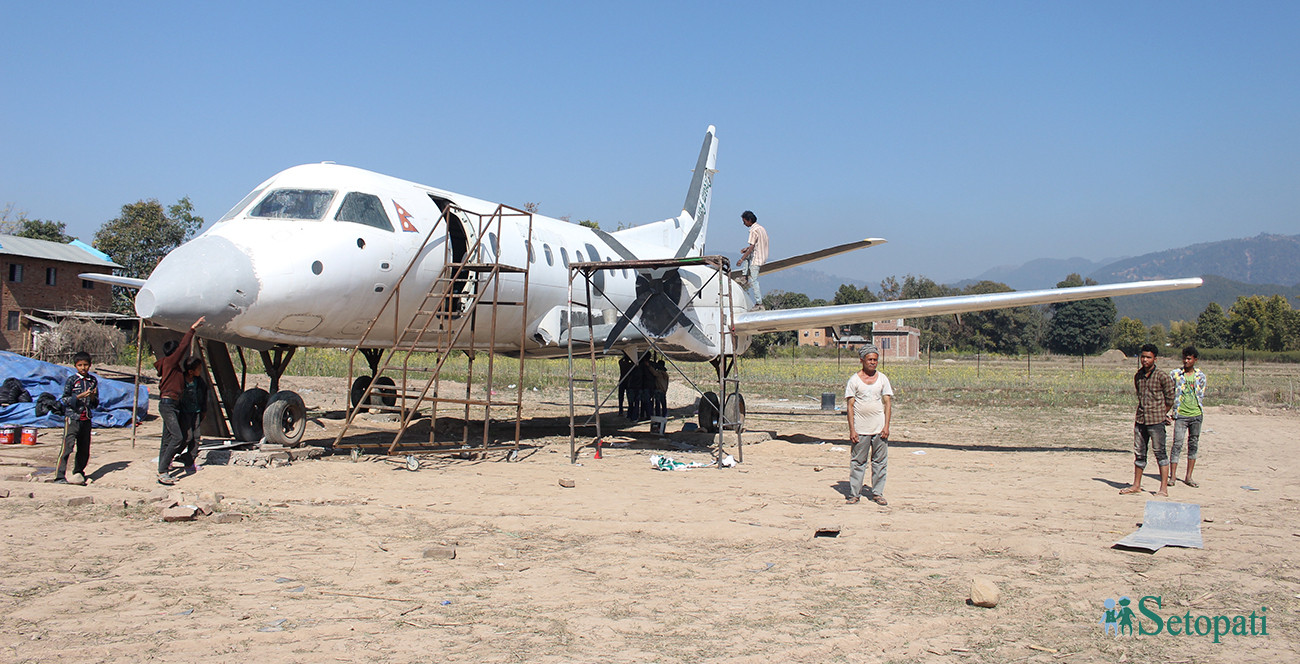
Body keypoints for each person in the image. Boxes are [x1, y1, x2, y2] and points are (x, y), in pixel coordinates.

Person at [155, 316, 205, 485]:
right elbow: (183, 347)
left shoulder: (171, 368)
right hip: (169, 404)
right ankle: (163, 471)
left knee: (167, 438)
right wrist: (192, 329)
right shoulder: (170, 363)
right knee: (177, 437)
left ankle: (164, 466)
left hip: (172, 404)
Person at [1121, 344, 1175, 496]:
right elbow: (1139, 394)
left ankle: (1163, 488)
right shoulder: (1138, 376)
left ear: (1155, 359)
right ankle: (1136, 485)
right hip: (1141, 419)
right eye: (1143, 357)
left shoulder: (1162, 376)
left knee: (1160, 453)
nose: (1145, 360)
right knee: (1139, 453)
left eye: (1148, 357)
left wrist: (1162, 413)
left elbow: (1170, 398)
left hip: (1156, 421)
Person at [844, 344, 893, 505]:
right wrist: (852, 430)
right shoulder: (854, 380)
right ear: (862, 360)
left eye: (875, 360)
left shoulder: (883, 379)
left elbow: (887, 403)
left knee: (879, 462)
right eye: (870, 359)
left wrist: (886, 426)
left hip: (879, 429)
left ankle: (877, 493)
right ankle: (854, 494)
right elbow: (850, 406)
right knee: (858, 462)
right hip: (861, 429)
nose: (873, 362)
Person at [55, 351, 98, 485]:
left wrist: (91, 396)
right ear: (75, 366)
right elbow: (65, 399)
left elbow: (95, 403)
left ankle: (79, 472)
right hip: (73, 418)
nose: (83, 368)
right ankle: (59, 476)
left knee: (84, 448)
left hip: (86, 418)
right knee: (67, 447)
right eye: (80, 365)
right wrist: (80, 396)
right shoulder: (72, 380)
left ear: (90, 366)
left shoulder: (92, 381)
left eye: (86, 365)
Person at [1168, 346, 1207, 488]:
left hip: (1196, 414)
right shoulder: (1175, 374)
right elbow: (1170, 392)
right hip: (1181, 415)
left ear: (1195, 360)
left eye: (1189, 358)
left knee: (1193, 444)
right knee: (1177, 444)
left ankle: (1188, 476)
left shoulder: (1200, 376)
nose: (1186, 361)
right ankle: (1172, 476)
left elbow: (1201, 394)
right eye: (1184, 358)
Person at [176, 357, 209, 475]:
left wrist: (203, 410)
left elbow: (204, 396)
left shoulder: (199, 382)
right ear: (190, 371)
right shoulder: (181, 380)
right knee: (187, 436)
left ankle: (190, 462)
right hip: (184, 412)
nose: (200, 371)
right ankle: (172, 456)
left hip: (196, 412)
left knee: (196, 437)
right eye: (198, 369)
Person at [738, 210, 768, 309]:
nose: (744, 224)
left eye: (744, 221)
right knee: (747, 256)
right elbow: (756, 244)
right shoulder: (761, 228)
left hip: (757, 257)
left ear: (749, 220)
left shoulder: (753, 230)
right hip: (763, 255)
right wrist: (746, 250)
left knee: (754, 280)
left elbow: (751, 248)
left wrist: (741, 259)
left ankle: (759, 303)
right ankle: (744, 276)